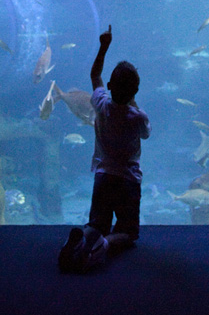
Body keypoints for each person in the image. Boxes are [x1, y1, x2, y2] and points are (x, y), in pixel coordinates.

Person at [59, 24, 151, 273]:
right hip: (128, 180)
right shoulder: (137, 117)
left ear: (110, 86)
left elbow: (95, 76)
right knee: (128, 232)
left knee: (97, 222)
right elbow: (146, 133)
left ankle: (83, 239)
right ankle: (102, 245)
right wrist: (132, 100)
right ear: (136, 91)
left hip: (103, 176)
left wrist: (104, 47)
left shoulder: (101, 105)